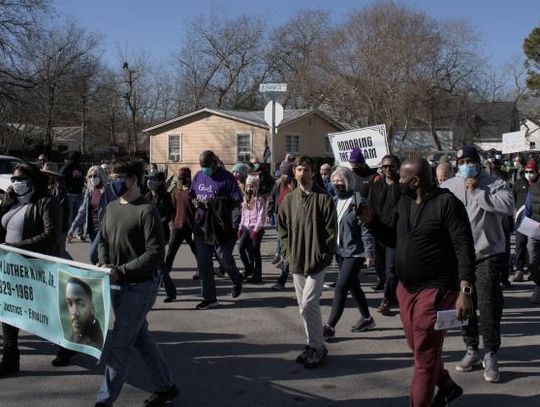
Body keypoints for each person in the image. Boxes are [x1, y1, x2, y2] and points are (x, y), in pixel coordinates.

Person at [360, 157, 475, 407]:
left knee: (424, 354)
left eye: (402, 177)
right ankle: (445, 385)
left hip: (436, 289)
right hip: (406, 288)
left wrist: (465, 290)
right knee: (418, 346)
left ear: (416, 180)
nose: (397, 181)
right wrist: (373, 223)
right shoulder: (404, 201)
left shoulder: (447, 204)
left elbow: (464, 248)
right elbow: (393, 239)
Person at [95, 159, 178, 407]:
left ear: (132, 179)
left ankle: (103, 402)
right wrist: (104, 264)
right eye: (111, 177)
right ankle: (166, 387)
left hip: (141, 286)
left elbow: (154, 254)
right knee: (141, 338)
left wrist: (120, 271)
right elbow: (103, 241)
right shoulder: (110, 208)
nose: (114, 182)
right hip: (116, 283)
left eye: (118, 177)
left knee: (119, 347)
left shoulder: (146, 210)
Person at [441, 145, 514, 383]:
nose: (465, 165)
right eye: (461, 162)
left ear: (478, 162)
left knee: (488, 303)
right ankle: (471, 348)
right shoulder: (449, 186)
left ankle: (491, 353)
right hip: (459, 258)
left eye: (469, 161)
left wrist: (479, 194)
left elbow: (508, 207)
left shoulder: (495, 184)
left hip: (488, 255)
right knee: (464, 303)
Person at [0, 163, 62, 377]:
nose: (15, 183)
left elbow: (50, 235)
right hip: (11, 268)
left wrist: (17, 247)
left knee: (49, 311)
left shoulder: (47, 202)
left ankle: (67, 346)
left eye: (20, 179)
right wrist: (4, 204)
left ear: (33, 181)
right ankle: (9, 360)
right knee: (9, 310)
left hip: (36, 268)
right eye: (13, 179)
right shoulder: (13, 203)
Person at [278, 155, 337, 369]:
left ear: (313, 173)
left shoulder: (323, 199)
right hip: (296, 260)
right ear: (295, 173)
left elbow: (331, 232)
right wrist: (286, 251)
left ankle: (318, 347)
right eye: (299, 170)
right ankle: (312, 344)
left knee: (308, 303)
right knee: (303, 307)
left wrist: (324, 255)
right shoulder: (289, 200)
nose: (303, 173)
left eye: (306, 169)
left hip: (316, 261)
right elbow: (282, 228)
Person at [323, 167, 375, 340]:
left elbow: (366, 229)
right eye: (335, 181)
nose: (337, 184)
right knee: (354, 286)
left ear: (349, 181)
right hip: (340, 251)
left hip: (355, 252)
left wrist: (369, 254)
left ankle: (329, 327)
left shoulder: (359, 201)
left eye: (341, 181)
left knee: (341, 287)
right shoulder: (334, 201)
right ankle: (367, 319)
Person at [189, 150, 243, 310]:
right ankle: (210, 298)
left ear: (215, 163)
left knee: (223, 258)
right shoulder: (198, 176)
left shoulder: (227, 178)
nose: (204, 169)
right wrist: (194, 201)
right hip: (201, 225)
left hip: (220, 226)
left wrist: (233, 224)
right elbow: (192, 194)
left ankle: (237, 279)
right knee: (204, 263)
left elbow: (236, 201)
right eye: (202, 166)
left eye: (207, 166)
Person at [368, 154, 401, 315]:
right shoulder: (377, 185)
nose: (387, 169)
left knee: (391, 269)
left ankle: (386, 300)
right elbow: (370, 205)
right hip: (378, 233)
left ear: (397, 167)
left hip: (395, 236)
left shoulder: (403, 186)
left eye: (391, 166)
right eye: (385, 166)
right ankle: (394, 293)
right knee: (380, 268)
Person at [68, 166, 116, 264]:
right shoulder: (89, 192)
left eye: (95, 175)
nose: (92, 178)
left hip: (103, 228)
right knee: (101, 256)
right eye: (90, 176)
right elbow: (82, 211)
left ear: (101, 176)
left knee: (93, 255)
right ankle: (103, 275)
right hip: (91, 229)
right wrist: (72, 228)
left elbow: (115, 208)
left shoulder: (108, 191)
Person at [164, 167, 197, 299]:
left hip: (191, 227)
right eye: (180, 177)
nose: (182, 179)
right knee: (170, 253)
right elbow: (171, 209)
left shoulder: (193, 191)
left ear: (189, 177)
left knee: (197, 252)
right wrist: (172, 224)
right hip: (177, 227)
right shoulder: (175, 191)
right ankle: (165, 277)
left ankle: (201, 271)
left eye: (184, 177)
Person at [268, 161, 295, 290]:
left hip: (295, 226)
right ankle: (283, 279)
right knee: (287, 253)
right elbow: (273, 199)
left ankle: (282, 280)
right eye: (282, 174)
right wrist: (270, 213)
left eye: (286, 175)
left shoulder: (297, 187)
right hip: (282, 223)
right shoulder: (279, 186)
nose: (283, 177)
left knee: (289, 254)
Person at [511, 159, 536, 282]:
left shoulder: (538, 184)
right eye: (527, 171)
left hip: (534, 220)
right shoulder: (519, 182)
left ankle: (534, 270)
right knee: (520, 244)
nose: (529, 173)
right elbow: (513, 197)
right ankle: (519, 269)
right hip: (521, 218)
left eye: (531, 171)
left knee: (533, 248)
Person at [41, 162, 72, 260]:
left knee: (60, 253)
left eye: (47, 174)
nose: (45, 177)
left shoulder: (59, 190)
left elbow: (63, 211)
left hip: (60, 227)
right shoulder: (45, 188)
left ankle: (78, 270)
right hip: (49, 227)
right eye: (44, 174)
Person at [238, 175, 266, 283]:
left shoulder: (259, 199)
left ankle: (257, 274)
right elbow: (243, 215)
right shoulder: (245, 199)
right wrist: (240, 227)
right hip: (245, 226)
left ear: (256, 187)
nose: (249, 189)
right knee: (241, 248)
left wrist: (256, 230)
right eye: (248, 186)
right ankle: (248, 268)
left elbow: (261, 216)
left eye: (252, 187)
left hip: (255, 229)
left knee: (255, 251)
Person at [65, 277, 104, 349]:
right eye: (69, 303)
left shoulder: (95, 343)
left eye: (80, 304)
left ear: (91, 307)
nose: (74, 312)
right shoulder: (76, 332)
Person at [522, 160, 540, 304]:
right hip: (534, 228)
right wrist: (524, 227)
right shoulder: (533, 189)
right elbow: (527, 210)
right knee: (532, 260)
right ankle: (538, 283)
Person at [60, 151, 86, 240]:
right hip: (69, 194)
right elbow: (61, 177)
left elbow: (82, 178)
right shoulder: (66, 167)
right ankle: (69, 233)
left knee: (80, 214)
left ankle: (80, 233)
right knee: (70, 216)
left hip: (79, 193)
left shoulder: (80, 167)